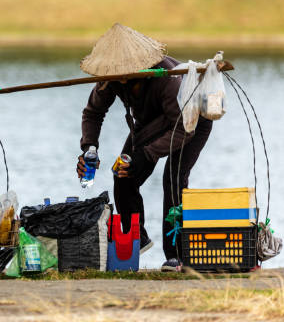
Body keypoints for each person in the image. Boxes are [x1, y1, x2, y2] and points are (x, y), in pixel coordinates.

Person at [75, 23, 212, 272]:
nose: (121, 76)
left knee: (173, 178)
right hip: (150, 124)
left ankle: (177, 255)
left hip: (190, 121)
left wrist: (146, 155)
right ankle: (136, 238)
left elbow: (183, 129)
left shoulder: (167, 80)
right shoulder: (112, 79)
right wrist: (89, 149)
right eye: (116, 72)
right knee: (123, 175)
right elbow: (93, 113)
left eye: (125, 71)